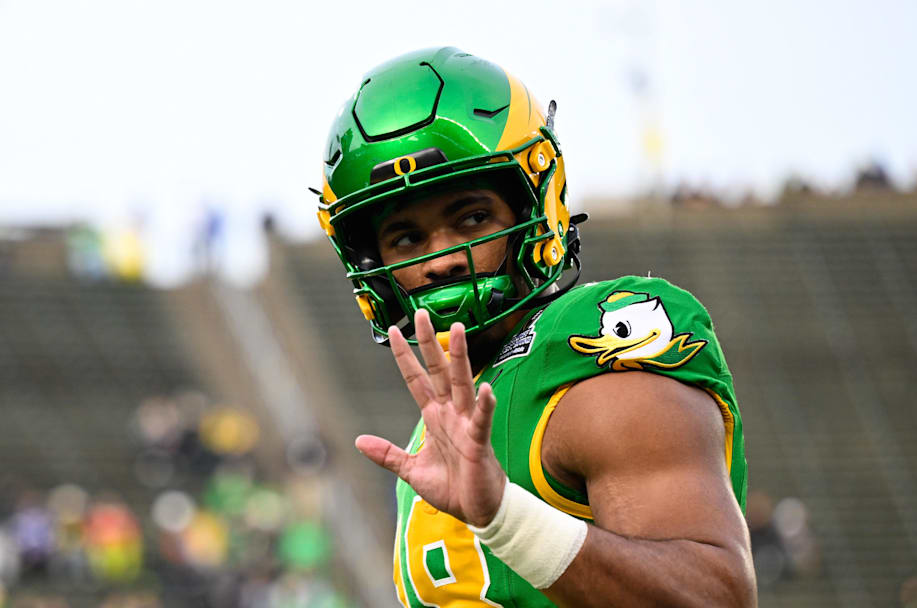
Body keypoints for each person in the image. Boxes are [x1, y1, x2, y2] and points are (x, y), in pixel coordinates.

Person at [314, 47, 755, 607]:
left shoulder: (592, 347)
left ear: (532, 210)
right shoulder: (435, 435)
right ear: (373, 265)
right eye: (406, 238)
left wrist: (505, 518)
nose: (442, 258)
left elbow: (712, 599)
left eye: (471, 218)